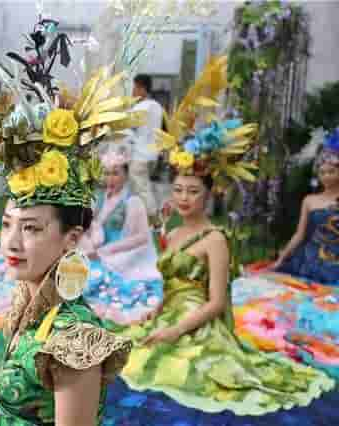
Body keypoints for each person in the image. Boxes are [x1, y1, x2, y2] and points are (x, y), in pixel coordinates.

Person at [118, 56, 334, 415]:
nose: (184, 198)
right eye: (179, 190)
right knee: (123, 351)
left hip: (201, 327)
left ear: (209, 194)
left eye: (193, 192)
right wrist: (154, 314)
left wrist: (174, 331)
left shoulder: (215, 238)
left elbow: (216, 303)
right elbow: (172, 288)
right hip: (170, 315)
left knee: (173, 368)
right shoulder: (173, 230)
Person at [0, 17, 142, 425]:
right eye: (7, 224)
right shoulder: (28, 300)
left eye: (32, 228)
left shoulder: (74, 337)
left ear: (71, 237)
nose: (11, 242)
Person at [80, 146, 160, 280]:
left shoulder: (133, 201)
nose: (110, 179)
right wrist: (89, 240)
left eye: (115, 173)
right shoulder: (99, 197)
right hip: (95, 247)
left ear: (125, 175)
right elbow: (88, 223)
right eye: (106, 173)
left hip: (119, 252)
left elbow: (142, 237)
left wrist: (109, 250)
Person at [272, 128, 339, 285]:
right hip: (310, 259)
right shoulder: (310, 200)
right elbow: (299, 235)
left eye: (331, 171)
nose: (326, 176)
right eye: (322, 173)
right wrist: (282, 258)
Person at [126, 74, 164, 217]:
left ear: (142, 89)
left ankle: (154, 218)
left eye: (135, 87)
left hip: (139, 155)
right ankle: (141, 217)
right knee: (144, 188)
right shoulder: (157, 106)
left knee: (142, 189)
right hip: (152, 154)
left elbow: (126, 126)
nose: (133, 91)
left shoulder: (140, 108)